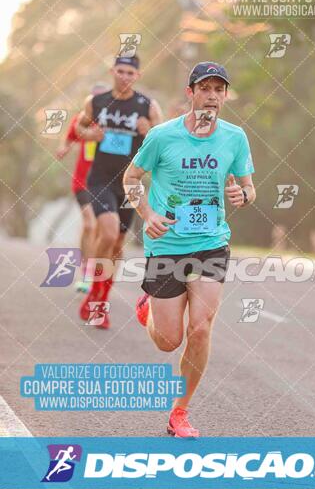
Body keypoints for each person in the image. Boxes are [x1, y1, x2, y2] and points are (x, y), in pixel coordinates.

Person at [123, 61, 256, 437]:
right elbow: (132, 178)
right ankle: (149, 307)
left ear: (225, 95)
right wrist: (146, 213)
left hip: (211, 243)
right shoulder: (163, 137)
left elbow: (248, 189)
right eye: (205, 88)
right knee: (169, 341)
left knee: (200, 328)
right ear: (191, 93)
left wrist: (241, 195)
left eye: (219, 89)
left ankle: (179, 412)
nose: (212, 96)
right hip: (166, 245)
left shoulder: (235, 138)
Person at [76, 55, 162, 328]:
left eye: (130, 72)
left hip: (130, 183)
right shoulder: (97, 102)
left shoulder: (147, 106)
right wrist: (90, 134)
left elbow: (164, 142)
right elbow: (78, 127)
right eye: (120, 71)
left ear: (137, 75)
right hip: (100, 179)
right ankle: (95, 296)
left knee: (116, 245)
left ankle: (100, 295)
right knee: (109, 231)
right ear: (112, 71)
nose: (124, 76)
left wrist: (149, 132)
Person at [56, 82, 109, 292]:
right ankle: (85, 273)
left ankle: (95, 271)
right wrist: (63, 149)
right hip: (82, 181)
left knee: (100, 228)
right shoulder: (82, 120)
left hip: (105, 182)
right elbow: (68, 138)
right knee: (89, 224)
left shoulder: (113, 123)